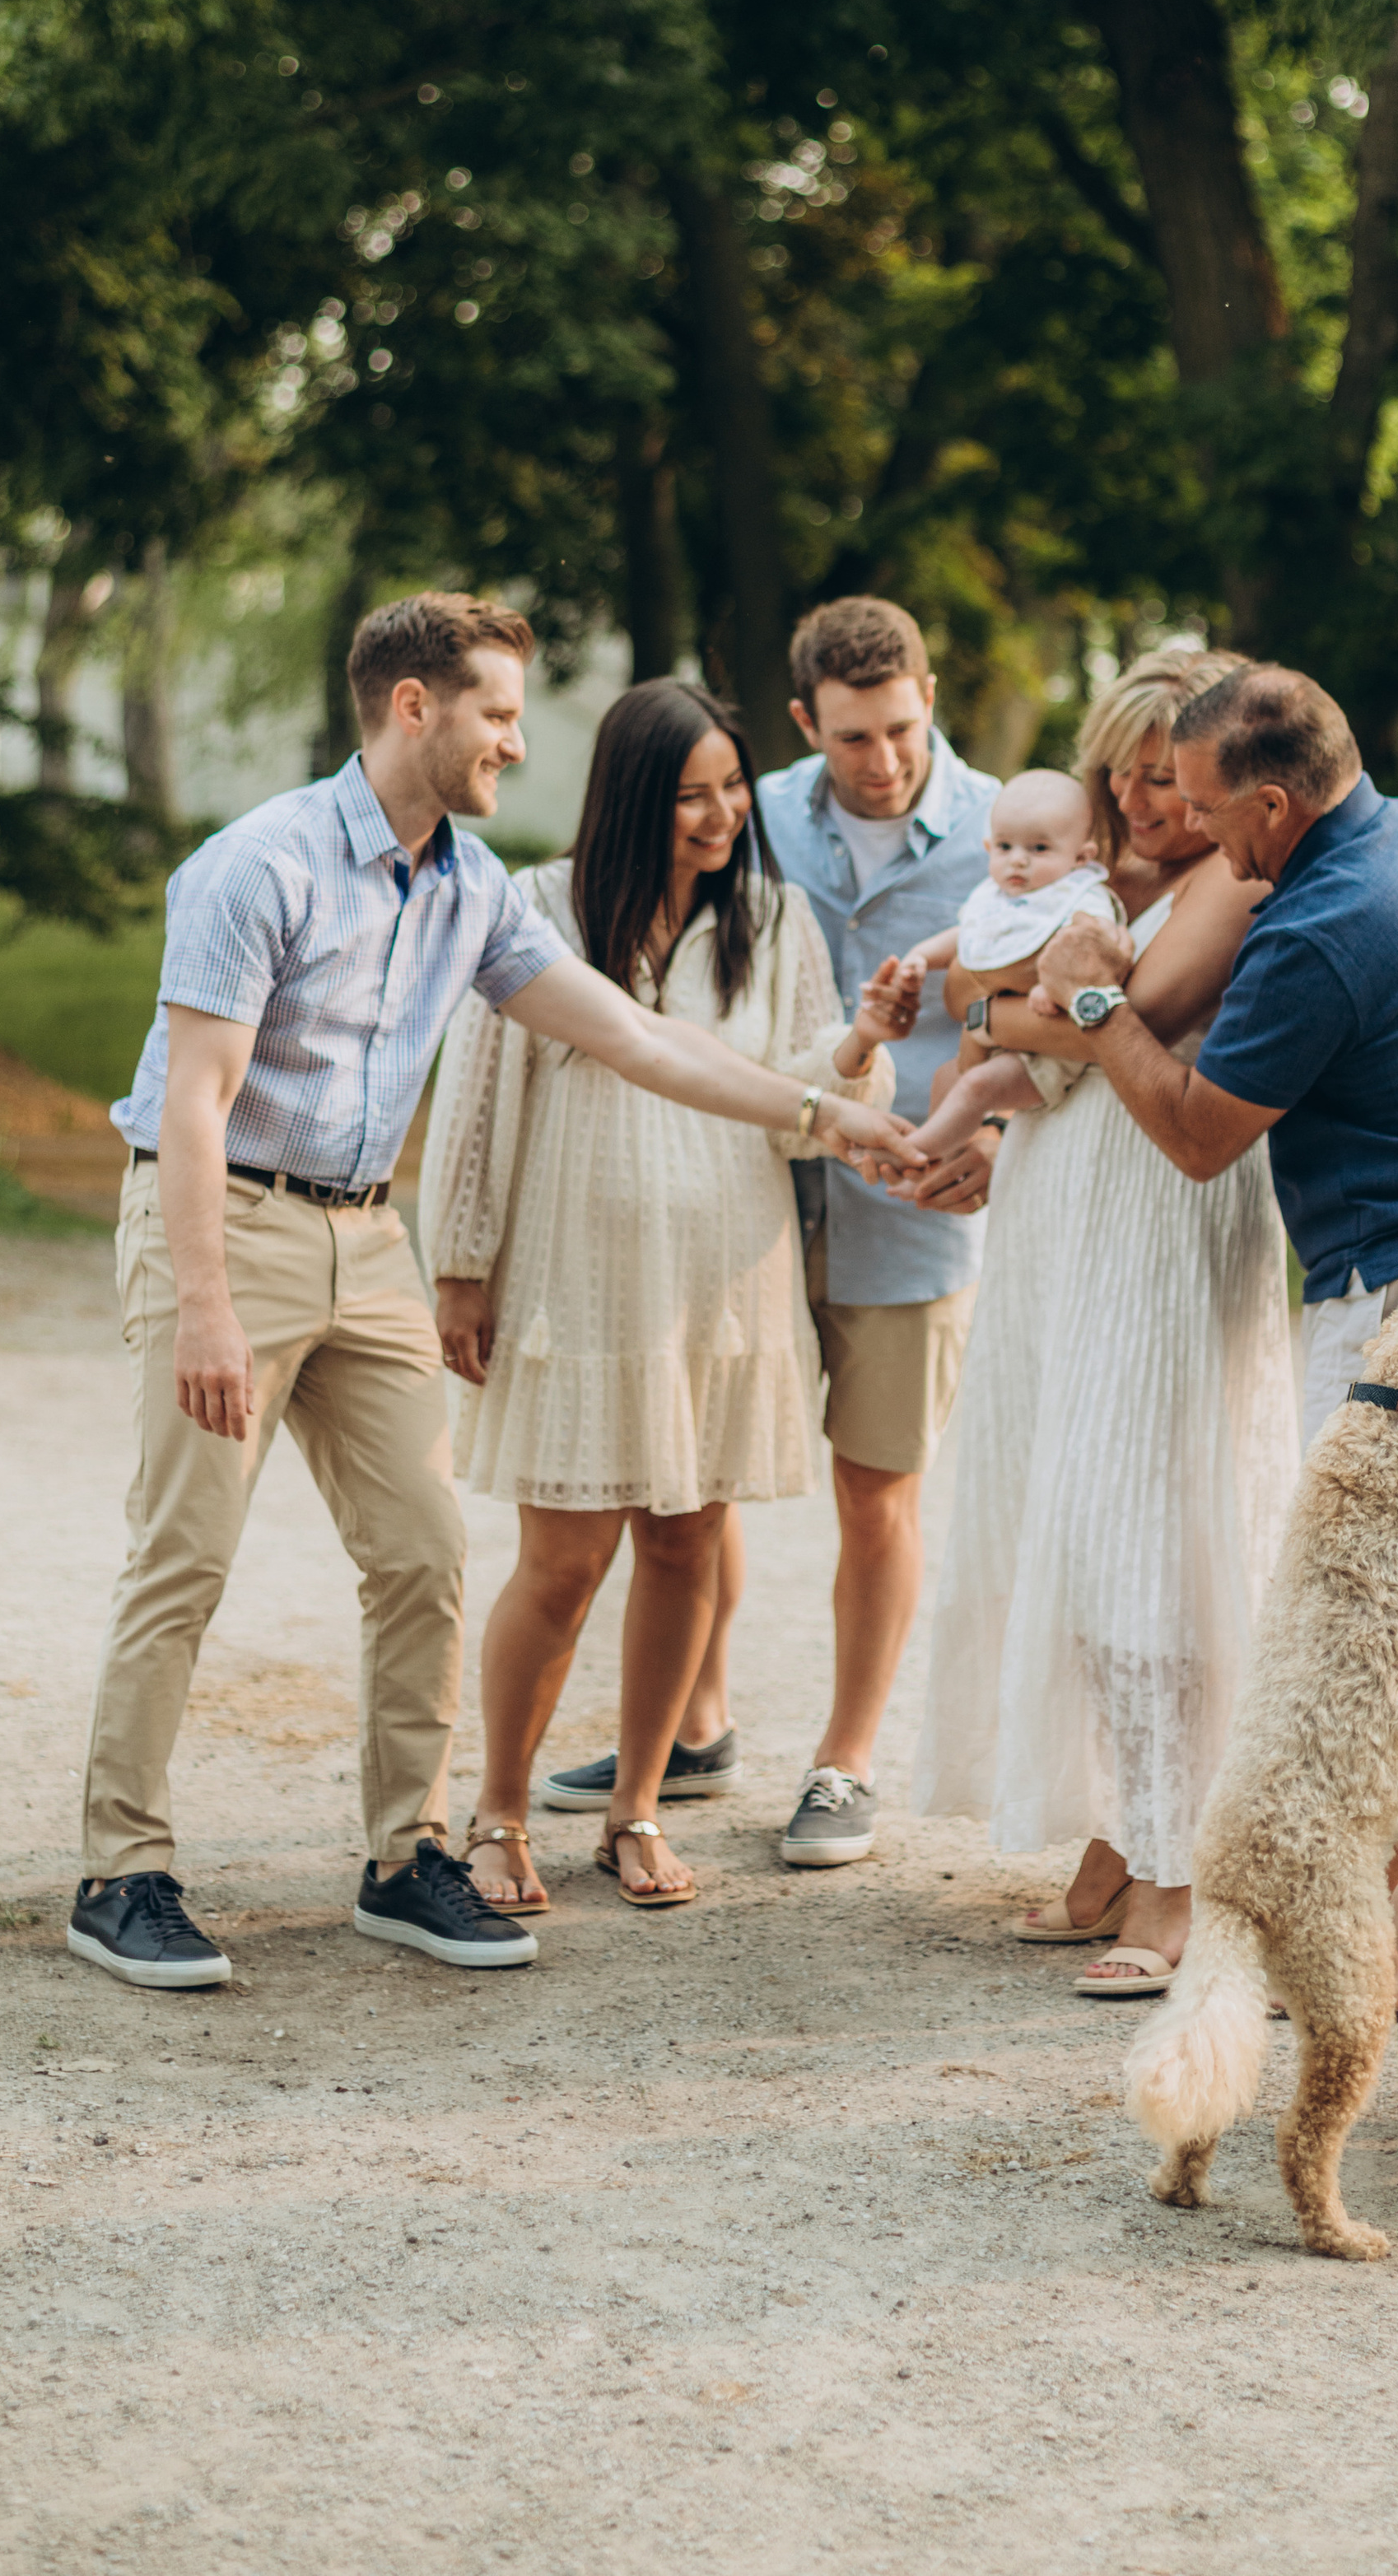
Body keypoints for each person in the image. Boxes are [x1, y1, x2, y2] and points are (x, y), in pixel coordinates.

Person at [72, 595, 916, 1993]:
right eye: (499, 715)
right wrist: (208, 1305)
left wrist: (834, 1119)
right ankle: (123, 1870)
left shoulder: (468, 890)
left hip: (366, 1242)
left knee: (423, 1556)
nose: (519, 746)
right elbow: (202, 1102)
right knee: (187, 1555)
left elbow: (639, 1037)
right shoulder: (258, 866)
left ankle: (409, 1858)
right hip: (226, 1223)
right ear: (415, 708)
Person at [421, 680, 905, 1915]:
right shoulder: (535, 907)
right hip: (577, 1283)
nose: (723, 816)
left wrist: (854, 1050)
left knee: (686, 1540)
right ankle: (502, 1811)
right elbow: (476, 1105)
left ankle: (636, 1806)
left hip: (723, 1283)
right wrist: (461, 1267)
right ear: (634, 798)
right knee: (564, 1560)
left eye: (734, 790)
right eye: (693, 796)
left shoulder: (774, 917)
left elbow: (803, 1110)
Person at [912, 646, 1299, 1996]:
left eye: (1169, 776)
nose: (1145, 798)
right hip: (1056, 1214)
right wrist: (1008, 1002)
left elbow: (1125, 1015)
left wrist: (1021, 1002)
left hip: (1163, 1211)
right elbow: (982, 1002)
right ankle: (1110, 1830)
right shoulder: (1085, 881)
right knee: (1061, 1518)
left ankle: (1178, 1871)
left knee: (1143, 1528)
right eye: (1125, 771)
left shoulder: (1229, 883)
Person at [1034, 662, 1398, 1498]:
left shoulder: (1314, 931)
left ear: (1272, 807)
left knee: (1362, 1599)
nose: (1188, 823)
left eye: (1201, 806)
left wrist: (1092, 1000)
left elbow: (1197, 1135)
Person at [744, 597, 1004, 1868]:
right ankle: (689, 1725)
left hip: (914, 1222)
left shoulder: (1011, 832)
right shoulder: (753, 815)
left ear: (932, 699)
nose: (883, 762)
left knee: (877, 1495)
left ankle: (844, 1765)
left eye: (900, 730)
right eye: (852, 739)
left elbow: (1051, 1026)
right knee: (698, 1473)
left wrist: (996, 1144)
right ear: (806, 723)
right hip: (753, 1201)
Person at [897, 766, 1128, 1159]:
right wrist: (922, 956)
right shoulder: (997, 898)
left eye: (1039, 849)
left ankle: (912, 1154)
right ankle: (939, 1163)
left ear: (1081, 857)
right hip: (999, 1038)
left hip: (1048, 1049)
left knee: (975, 1087)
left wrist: (1052, 984)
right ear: (988, 847)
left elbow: (1098, 949)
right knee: (946, 1078)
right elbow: (968, 936)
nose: (1018, 862)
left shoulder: (1081, 898)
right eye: (1005, 847)